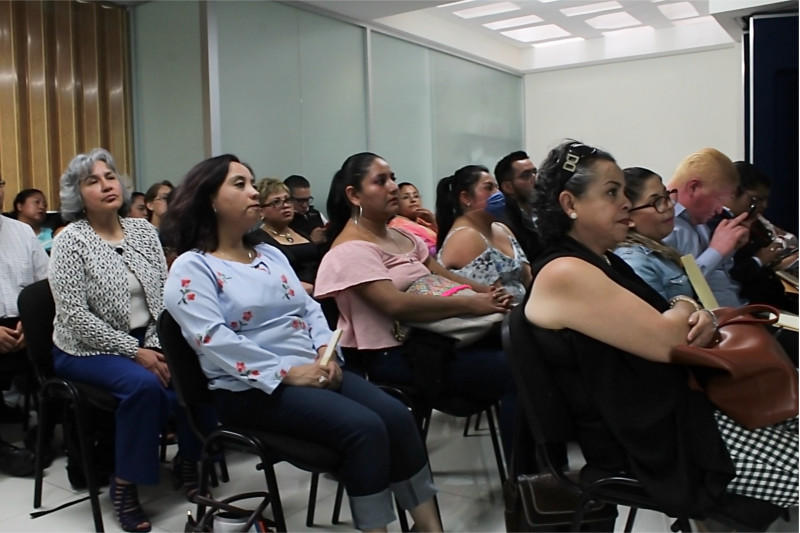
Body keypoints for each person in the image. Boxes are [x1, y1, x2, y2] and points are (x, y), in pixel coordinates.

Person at [162, 154, 442, 533]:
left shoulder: (269, 254)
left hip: (313, 369)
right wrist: (290, 373)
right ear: (209, 199)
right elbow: (213, 340)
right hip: (249, 389)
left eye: (252, 181)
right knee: (365, 428)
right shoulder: (193, 267)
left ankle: (431, 528)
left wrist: (327, 355)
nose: (254, 192)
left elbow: (308, 309)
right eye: (240, 184)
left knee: (397, 415)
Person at [522, 139, 797, 518]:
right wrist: (685, 304)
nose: (625, 203)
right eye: (611, 192)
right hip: (654, 440)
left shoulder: (599, 262)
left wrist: (682, 311)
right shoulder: (566, 271)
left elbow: (668, 326)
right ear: (570, 205)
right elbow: (669, 339)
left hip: (671, 415)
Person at [49, 149, 210, 533]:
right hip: (83, 346)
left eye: (110, 176)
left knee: (193, 368)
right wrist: (136, 352)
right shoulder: (71, 240)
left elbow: (161, 297)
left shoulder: (143, 232)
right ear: (77, 195)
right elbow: (74, 316)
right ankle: (125, 485)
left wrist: (155, 347)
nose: (107, 185)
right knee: (143, 387)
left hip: (144, 338)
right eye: (93, 181)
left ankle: (190, 460)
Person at [315, 152, 516, 455]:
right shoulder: (349, 250)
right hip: (396, 355)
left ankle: (536, 473)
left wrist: (487, 293)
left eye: (392, 177)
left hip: (435, 339)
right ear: (354, 195)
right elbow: (395, 304)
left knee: (524, 352)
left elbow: (442, 274)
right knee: (516, 371)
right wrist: (473, 305)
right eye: (380, 181)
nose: (393, 187)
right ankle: (528, 479)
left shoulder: (401, 236)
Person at [0, 174, 47, 477]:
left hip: (25, 327)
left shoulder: (23, 233)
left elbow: (48, 287)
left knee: (66, 353)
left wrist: (34, 325)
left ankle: (45, 434)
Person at [662, 148, 750, 307]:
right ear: (694, 187)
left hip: (734, 312)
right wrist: (716, 251)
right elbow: (675, 290)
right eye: (718, 200)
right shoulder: (664, 224)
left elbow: (718, 276)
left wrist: (728, 249)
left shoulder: (697, 221)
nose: (719, 210)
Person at [435, 165, 531, 304]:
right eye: (488, 188)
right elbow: (500, 299)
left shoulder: (502, 229)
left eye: (496, 187)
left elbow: (529, 279)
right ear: (466, 197)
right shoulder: (465, 237)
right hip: (498, 321)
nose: (498, 194)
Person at [709, 161, 797, 312]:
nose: (764, 205)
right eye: (756, 200)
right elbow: (730, 274)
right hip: (755, 307)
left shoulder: (750, 220)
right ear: (732, 192)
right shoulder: (719, 225)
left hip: (776, 298)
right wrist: (759, 260)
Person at [614, 167, 692, 301]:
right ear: (628, 216)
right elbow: (658, 317)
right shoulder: (633, 261)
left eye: (667, 196)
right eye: (656, 202)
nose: (668, 205)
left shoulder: (658, 248)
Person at [250, 178, 323, 295]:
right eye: (276, 202)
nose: (285, 206)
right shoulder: (257, 240)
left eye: (287, 200)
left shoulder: (301, 233)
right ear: (261, 211)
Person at [493, 150, 542, 263]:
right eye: (526, 176)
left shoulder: (543, 210)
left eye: (534, 172)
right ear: (508, 187)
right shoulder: (504, 223)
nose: (535, 179)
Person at [388, 182, 438, 256]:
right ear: (396, 202)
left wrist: (434, 221)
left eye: (416, 196)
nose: (413, 200)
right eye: (406, 197)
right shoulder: (397, 227)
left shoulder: (424, 220)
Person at [284, 174, 327, 245]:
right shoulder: (282, 220)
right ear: (288, 198)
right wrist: (311, 241)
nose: (305, 205)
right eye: (299, 201)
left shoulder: (316, 214)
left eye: (307, 200)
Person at [12, 188, 54, 253]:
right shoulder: (8, 234)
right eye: (37, 202)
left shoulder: (53, 236)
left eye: (45, 205)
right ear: (19, 206)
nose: (42, 207)